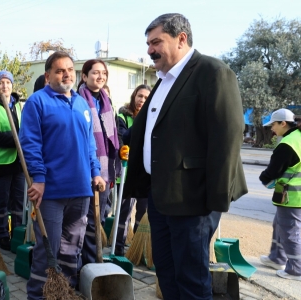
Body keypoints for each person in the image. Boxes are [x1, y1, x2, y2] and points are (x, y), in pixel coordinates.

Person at [124, 14, 247, 299]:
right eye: (148, 43)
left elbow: (227, 139)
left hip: (194, 201)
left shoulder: (213, 72)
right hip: (160, 197)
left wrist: (213, 202)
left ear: (181, 38)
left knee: (191, 278)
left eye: (156, 42)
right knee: (166, 272)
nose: (150, 50)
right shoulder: (163, 80)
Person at [19, 51, 105, 299]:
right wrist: (39, 179)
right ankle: (37, 296)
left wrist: (96, 172)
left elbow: (89, 144)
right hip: (51, 193)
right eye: (60, 70)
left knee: (71, 252)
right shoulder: (37, 102)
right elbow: (31, 144)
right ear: (48, 76)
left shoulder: (81, 103)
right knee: (48, 252)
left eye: (70, 69)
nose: (67, 74)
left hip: (81, 190)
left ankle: (63, 295)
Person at [259, 108, 301, 282]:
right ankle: (277, 259)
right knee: (280, 225)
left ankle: (297, 270)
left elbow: (273, 170)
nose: (271, 129)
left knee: (290, 232)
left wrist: (264, 179)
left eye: (273, 125)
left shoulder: (288, 143)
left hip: (293, 196)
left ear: (283, 123)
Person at [75, 59, 121, 262]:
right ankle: (83, 262)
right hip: (85, 169)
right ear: (84, 76)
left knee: (99, 217)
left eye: (103, 73)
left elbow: (112, 133)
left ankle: (92, 262)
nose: (100, 76)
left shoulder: (106, 101)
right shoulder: (77, 101)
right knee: (84, 219)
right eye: (95, 73)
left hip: (105, 169)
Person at [0, 70, 26, 250]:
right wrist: (18, 138)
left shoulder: (19, 106)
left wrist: (22, 138)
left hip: (19, 163)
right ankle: (1, 236)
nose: (5, 86)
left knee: (18, 201)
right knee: (1, 203)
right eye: (1, 83)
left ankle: (16, 233)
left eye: (8, 82)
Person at [114, 84, 151, 254]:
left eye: (145, 97)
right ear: (134, 97)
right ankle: (119, 247)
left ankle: (138, 250)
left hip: (144, 175)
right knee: (124, 213)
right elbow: (121, 138)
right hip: (126, 174)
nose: (142, 100)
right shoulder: (122, 116)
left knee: (143, 214)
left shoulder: (153, 117)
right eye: (139, 96)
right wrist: (141, 120)